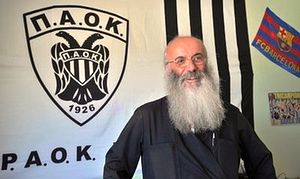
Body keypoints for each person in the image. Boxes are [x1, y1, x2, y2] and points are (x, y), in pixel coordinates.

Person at [103, 36, 276, 179]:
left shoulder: (231, 115)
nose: (191, 67)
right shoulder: (147, 117)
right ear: (167, 69)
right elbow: (116, 166)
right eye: (180, 61)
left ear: (206, 63)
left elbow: (262, 163)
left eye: (197, 58)